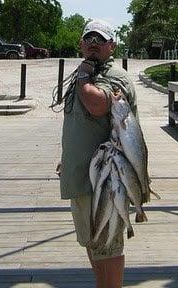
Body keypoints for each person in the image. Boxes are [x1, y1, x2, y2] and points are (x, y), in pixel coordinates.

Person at [60, 19, 138, 288]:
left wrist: (83, 76)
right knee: (93, 243)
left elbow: (97, 104)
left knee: (108, 247)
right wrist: (67, 158)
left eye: (100, 40)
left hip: (107, 182)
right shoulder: (87, 72)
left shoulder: (113, 76)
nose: (94, 44)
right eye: (89, 39)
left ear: (111, 45)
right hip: (82, 176)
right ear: (81, 43)